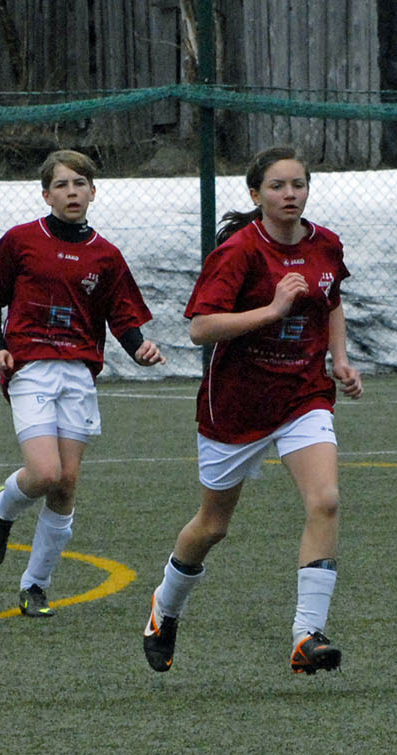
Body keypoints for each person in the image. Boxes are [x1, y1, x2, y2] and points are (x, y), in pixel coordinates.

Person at [142, 145, 363, 676]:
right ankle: (165, 608)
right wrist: (272, 309)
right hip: (237, 405)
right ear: (255, 194)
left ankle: (307, 635)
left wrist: (339, 359)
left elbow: (331, 301)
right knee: (212, 526)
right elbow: (201, 328)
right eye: (277, 186)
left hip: (303, 395)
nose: (290, 194)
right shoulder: (239, 252)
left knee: (326, 500)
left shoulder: (326, 244)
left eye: (298, 185)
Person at [0, 149, 165, 618]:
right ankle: (3, 509)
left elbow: (122, 316)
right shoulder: (21, 240)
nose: (72, 192)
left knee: (66, 484)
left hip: (78, 371)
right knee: (44, 473)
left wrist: (139, 347)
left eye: (80, 183)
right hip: (30, 366)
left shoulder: (106, 255)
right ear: (46, 195)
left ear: (93, 192)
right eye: (61, 184)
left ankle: (35, 586)